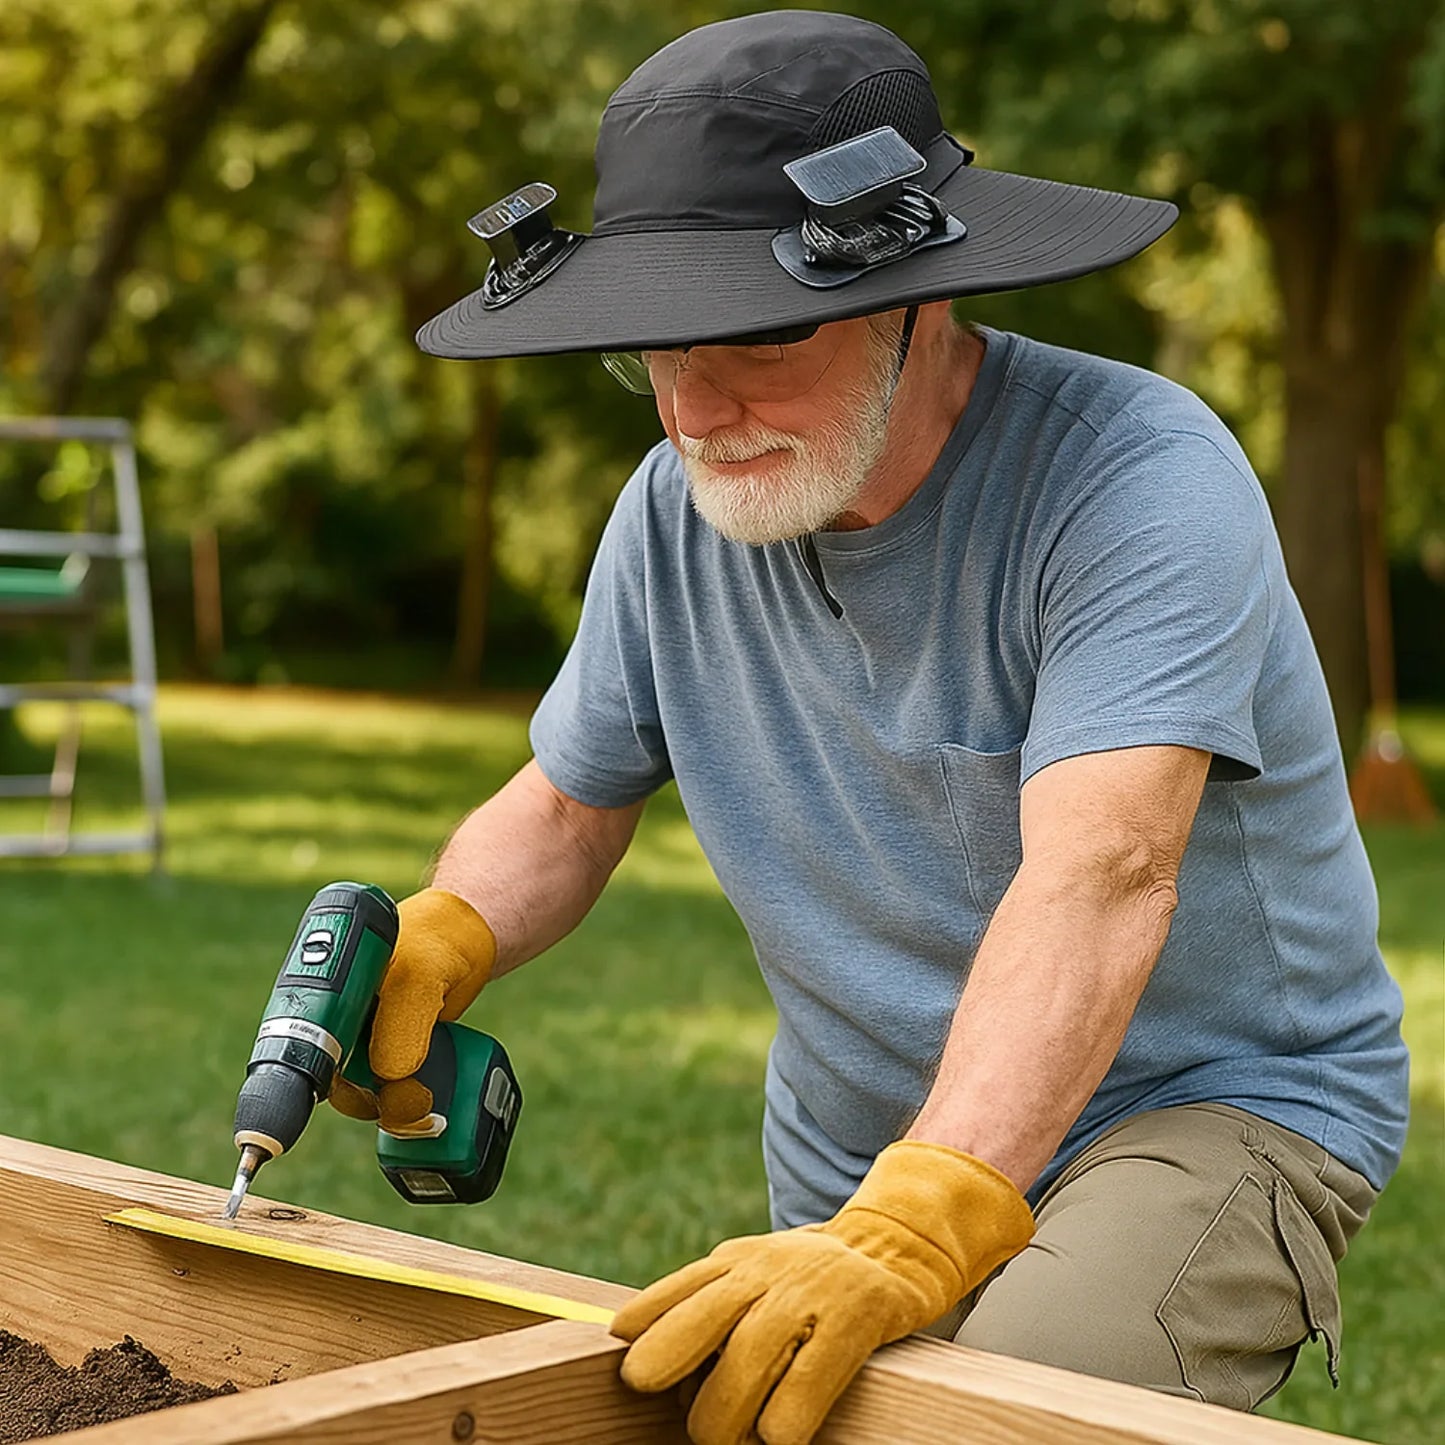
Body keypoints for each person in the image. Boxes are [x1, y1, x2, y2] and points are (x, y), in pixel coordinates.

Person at [329, 12, 1409, 1445]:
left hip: (1200, 1106)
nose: (692, 405)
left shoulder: (1136, 480)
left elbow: (1102, 876)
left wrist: (912, 1226)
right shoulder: (674, 509)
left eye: (759, 332)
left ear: (922, 295)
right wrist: (448, 928)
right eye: (651, 343)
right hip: (865, 1157)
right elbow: (567, 802)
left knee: (989, 1415)